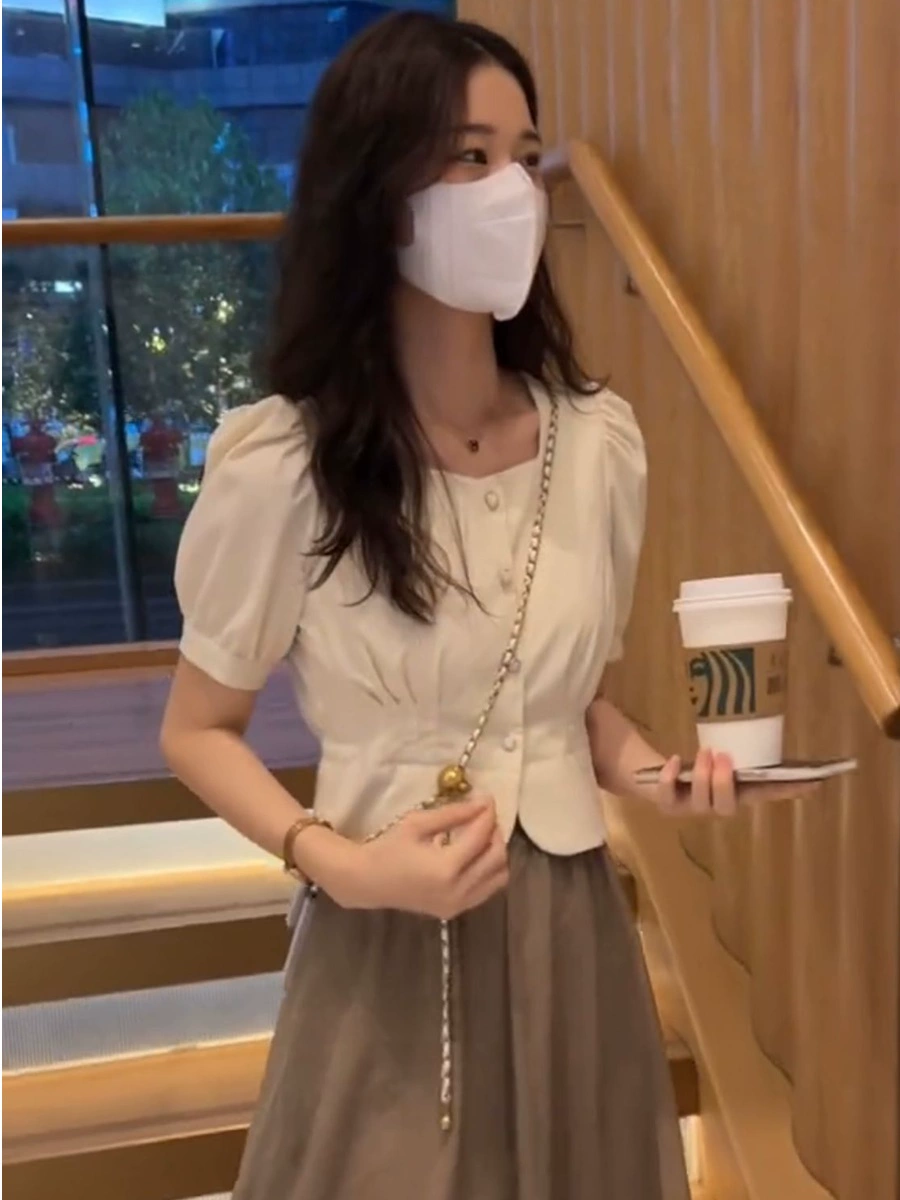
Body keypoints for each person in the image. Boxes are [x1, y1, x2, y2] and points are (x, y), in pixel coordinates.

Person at [161, 12, 808, 1198]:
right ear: (376, 191)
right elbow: (197, 728)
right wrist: (339, 865)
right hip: (382, 934)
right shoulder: (286, 465)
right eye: (469, 155)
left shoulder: (597, 443)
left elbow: (567, 702)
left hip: (567, 924)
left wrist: (657, 774)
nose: (510, 188)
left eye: (522, 154)